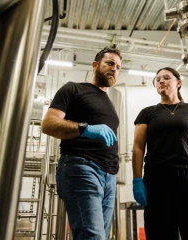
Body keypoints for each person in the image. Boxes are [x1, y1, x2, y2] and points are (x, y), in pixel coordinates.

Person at [41, 47, 122, 240]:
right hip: (82, 167)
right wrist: (85, 128)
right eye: (110, 63)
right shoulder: (74, 89)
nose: (114, 69)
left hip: (109, 177)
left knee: (100, 236)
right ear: (95, 65)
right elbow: (48, 124)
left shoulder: (109, 101)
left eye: (118, 67)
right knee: (92, 237)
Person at [132, 67, 188, 239]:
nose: (160, 81)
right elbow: (138, 147)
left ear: (178, 83)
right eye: (157, 79)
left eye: (166, 78)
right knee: (160, 233)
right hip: (157, 180)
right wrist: (137, 179)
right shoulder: (147, 113)